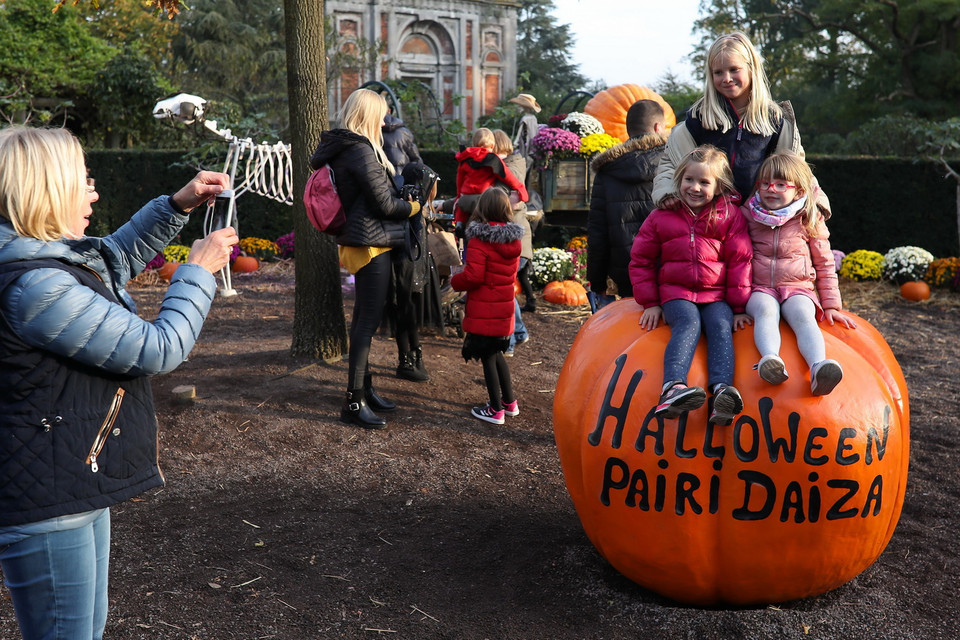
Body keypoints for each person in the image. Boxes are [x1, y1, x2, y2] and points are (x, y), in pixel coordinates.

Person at [0, 126, 238, 640]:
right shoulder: (36, 284)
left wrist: (177, 205)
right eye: (82, 181)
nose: (94, 192)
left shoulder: (38, 256)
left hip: (69, 479)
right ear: (45, 189)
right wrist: (195, 273)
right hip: (48, 498)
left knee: (86, 628)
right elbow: (159, 349)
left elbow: (108, 260)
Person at [309, 88, 423, 430]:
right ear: (369, 115)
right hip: (369, 243)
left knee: (364, 320)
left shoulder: (355, 148)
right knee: (365, 324)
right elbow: (385, 206)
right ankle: (354, 401)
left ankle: (366, 388)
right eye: (383, 113)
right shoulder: (359, 150)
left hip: (370, 241)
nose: (386, 119)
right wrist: (415, 206)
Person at [629, 145, 753, 426]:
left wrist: (738, 307)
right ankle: (672, 387)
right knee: (688, 324)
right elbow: (641, 259)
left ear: (719, 186)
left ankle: (722, 392)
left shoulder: (729, 216)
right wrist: (650, 302)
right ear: (679, 179)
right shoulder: (662, 216)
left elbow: (740, 262)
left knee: (721, 327)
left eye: (704, 182)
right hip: (676, 292)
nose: (694, 187)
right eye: (689, 179)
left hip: (715, 295)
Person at [653, 31, 827, 213]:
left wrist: (817, 202)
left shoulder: (775, 120)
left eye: (734, 70)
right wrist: (667, 192)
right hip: (709, 219)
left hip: (759, 220)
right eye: (718, 72)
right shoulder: (700, 118)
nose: (727, 78)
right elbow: (670, 162)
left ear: (752, 68)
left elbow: (796, 168)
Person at [740, 151, 857, 395]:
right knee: (765, 310)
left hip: (798, 287)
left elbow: (825, 263)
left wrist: (832, 305)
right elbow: (736, 258)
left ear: (800, 191)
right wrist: (736, 305)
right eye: (765, 183)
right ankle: (770, 360)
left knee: (803, 314)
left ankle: (818, 367)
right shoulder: (748, 215)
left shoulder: (808, 218)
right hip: (759, 287)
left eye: (781, 184)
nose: (771, 189)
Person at [451, 189, 524, 425]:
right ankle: (509, 403)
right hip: (503, 308)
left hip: (485, 309)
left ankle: (495, 409)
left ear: (482, 208)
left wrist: (455, 280)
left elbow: (474, 276)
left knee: (487, 356)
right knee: (496, 353)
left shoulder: (480, 239)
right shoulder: (512, 240)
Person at [588, 99, 670, 303]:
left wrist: (597, 283)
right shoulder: (676, 163)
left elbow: (598, 233)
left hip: (627, 272)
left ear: (628, 130)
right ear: (658, 127)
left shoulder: (607, 171)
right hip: (671, 269)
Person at [392, 162, 440, 382]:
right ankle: (406, 359)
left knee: (408, 312)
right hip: (405, 265)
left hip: (415, 263)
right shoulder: (407, 203)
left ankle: (415, 355)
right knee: (403, 312)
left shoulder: (418, 203)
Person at [492, 129, 533, 353]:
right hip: (514, 241)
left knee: (503, 291)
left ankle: (509, 342)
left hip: (516, 242)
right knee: (505, 289)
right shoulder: (507, 166)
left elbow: (502, 198)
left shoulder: (512, 167)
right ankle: (518, 332)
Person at [454, 127, 528, 229]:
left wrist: (458, 196)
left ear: (473, 143)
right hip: (484, 192)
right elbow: (507, 176)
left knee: (461, 210)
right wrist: (521, 188)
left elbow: (459, 180)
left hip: (466, 191)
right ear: (493, 146)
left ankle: (459, 224)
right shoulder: (492, 159)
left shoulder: (465, 158)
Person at [509, 93, 541, 172]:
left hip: (525, 144)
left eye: (520, 106)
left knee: (524, 166)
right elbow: (535, 131)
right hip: (532, 144)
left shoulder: (525, 118)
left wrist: (515, 142)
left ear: (525, 107)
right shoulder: (533, 118)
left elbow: (520, 131)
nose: (518, 108)